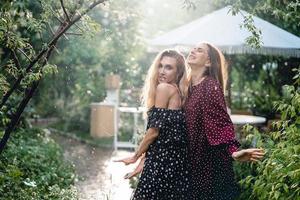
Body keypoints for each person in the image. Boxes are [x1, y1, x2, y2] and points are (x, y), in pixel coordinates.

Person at [185, 42, 264, 200]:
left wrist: (233, 152)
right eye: (193, 48)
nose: (193, 50)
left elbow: (221, 124)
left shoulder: (210, 86)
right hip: (191, 162)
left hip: (208, 166)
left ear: (208, 62)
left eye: (199, 50)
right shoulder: (188, 87)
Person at [116, 49, 191, 200]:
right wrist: (144, 161)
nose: (162, 71)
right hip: (177, 166)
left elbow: (154, 132)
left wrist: (135, 156)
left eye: (169, 67)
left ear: (178, 72)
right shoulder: (179, 93)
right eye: (160, 66)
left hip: (161, 167)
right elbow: (166, 138)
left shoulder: (164, 88)